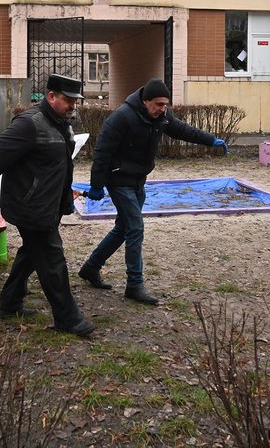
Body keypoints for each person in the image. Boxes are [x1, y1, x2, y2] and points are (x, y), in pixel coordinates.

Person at [0, 74, 96, 337]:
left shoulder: (63, 123)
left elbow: (61, 165)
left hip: (48, 204)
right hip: (31, 206)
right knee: (52, 259)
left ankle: (9, 303)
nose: (73, 105)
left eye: (76, 101)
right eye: (68, 100)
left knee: (32, 252)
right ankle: (68, 317)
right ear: (51, 97)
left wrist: (65, 199)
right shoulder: (29, 124)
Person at [77, 78, 229, 306]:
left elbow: (182, 130)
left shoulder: (162, 116)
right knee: (135, 227)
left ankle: (90, 268)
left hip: (138, 179)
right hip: (118, 180)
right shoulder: (121, 118)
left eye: (165, 104)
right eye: (158, 104)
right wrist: (97, 185)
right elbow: (102, 153)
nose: (163, 109)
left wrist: (210, 140)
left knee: (123, 228)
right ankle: (134, 285)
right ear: (145, 101)